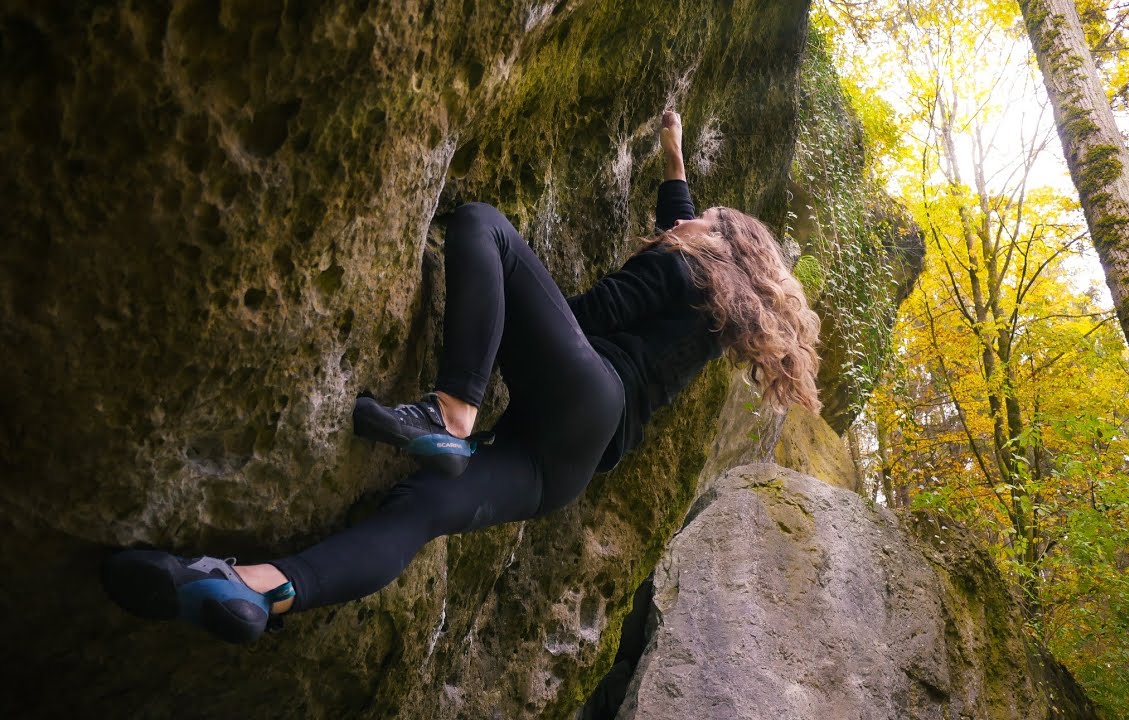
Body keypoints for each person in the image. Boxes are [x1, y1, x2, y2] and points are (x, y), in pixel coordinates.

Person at [102, 110, 822, 644]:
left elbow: (588, 314)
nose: (678, 227)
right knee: (419, 510)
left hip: (587, 386)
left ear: (713, 243)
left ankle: (451, 411)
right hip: (564, 468)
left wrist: (523, 322)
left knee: (482, 225)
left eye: (698, 223)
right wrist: (674, 158)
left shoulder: (679, 266)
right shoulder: (719, 313)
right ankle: (255, 590)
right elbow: (681, 216)